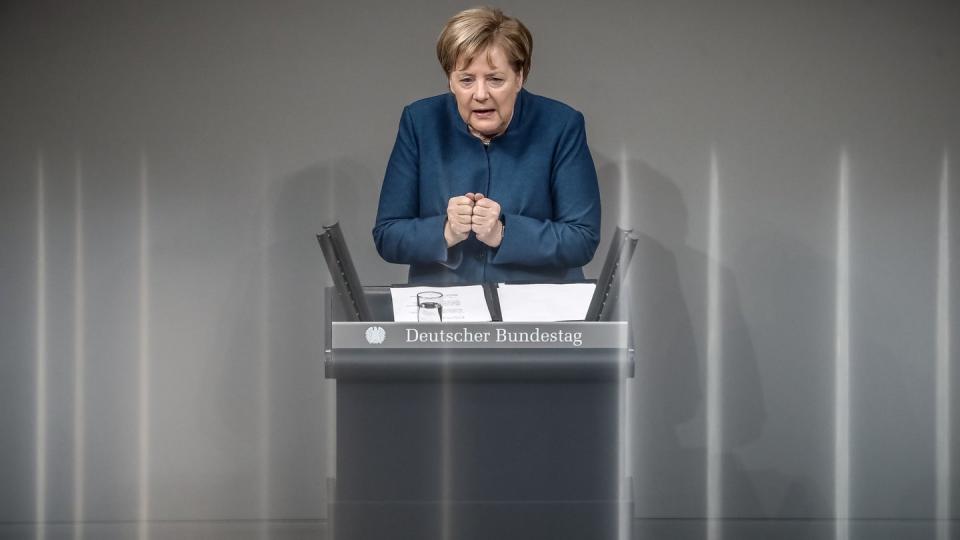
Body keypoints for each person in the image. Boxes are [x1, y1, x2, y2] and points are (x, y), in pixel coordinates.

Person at [373, 6, 600, 284]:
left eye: (495, 79)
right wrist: (446, 230)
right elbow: (388, 234)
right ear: (450, 81)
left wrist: (503, 233)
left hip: (537, 314)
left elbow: (582, 239)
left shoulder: (561, 125)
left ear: (519, 77)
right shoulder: (420, 122)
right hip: (445, 313)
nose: (480, 94)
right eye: (466, 80)